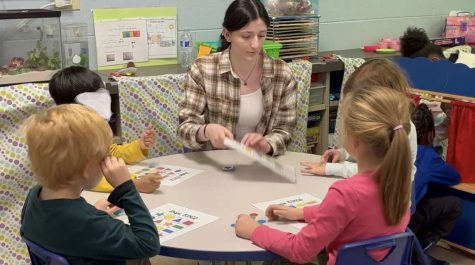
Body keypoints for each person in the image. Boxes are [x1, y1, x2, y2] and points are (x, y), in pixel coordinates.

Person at [235, 86, 412, 265]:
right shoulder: (399, 183)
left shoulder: (346, 193)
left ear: (355, 140)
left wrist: (254, 230)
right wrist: (301, 212)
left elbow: (299, 250)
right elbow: (349, 213)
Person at [21, 104, 160, 265]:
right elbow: (148, 244)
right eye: (105, 156)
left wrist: (92, 215)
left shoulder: (34, 197)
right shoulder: (86, 223)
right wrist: (126, 188)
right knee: (139, 257)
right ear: (87, 168)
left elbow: (66, 227)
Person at [178, 0, 297, 156]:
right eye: (247, 36)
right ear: (227, 34)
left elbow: (285, 130)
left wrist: (266, 144)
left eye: (261, 36)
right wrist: (206, 131)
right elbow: (185, 127)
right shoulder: (202, 69)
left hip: (259, 165)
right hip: (216, 165)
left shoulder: (282, 73)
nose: (255, 44)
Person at [300, 59, 417, 182]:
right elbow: (369, 150)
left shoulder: (400, 127)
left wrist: (333, 169)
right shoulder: (373, 124)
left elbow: (376, 171)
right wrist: (343, 154)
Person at [49, 66, 161, 193]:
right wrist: (133, 185)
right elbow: (86, 179)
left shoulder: (94, 128)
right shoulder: (67, 139)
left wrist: (139, 147)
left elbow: (111, 152)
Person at [409, 104, 461, 251]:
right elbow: (455, 177)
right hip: (407, 220)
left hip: (389, 216)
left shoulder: (400, 146)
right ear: (429, 135)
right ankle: (425, 242)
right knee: (454, 204)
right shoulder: (428, 156)